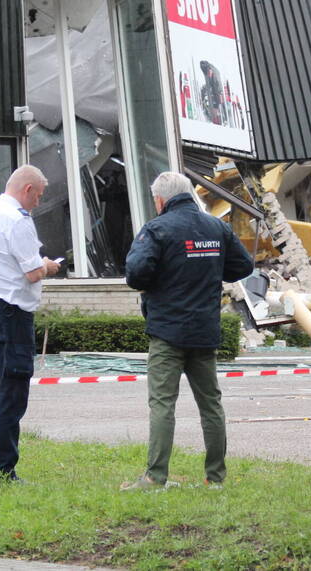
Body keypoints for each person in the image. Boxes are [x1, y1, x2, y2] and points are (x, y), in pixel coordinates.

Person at [121, 171, 253, 490]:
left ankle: (155, 477)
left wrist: (161, 277)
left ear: (161, 199)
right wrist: (209, 269)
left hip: (168, 332)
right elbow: (244, 266)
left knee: (163, 404)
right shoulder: (216, 227)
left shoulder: (157, 229)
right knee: (211, 404)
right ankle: (216, 478)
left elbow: (136, 273)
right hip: (205, 331)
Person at [0, 164, 60, 483]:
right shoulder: (17, 221)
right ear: (28, 189)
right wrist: (48, 266)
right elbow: (32, 272)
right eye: (38, 197)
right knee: (11, 393)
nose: (38, 203)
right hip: (9, 315)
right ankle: (3, 468)